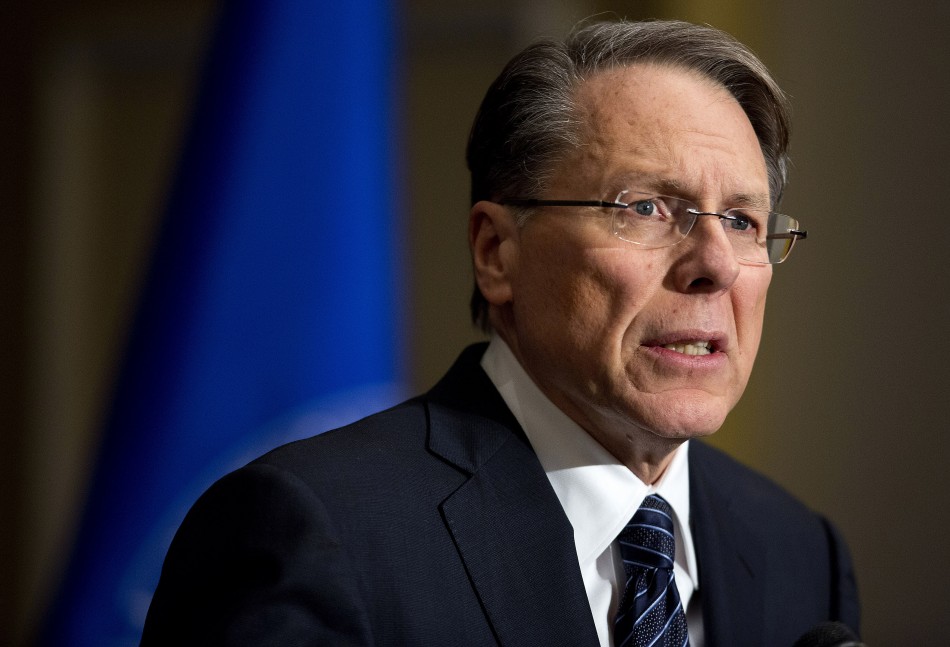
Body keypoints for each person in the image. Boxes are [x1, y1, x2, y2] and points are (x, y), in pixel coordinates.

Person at [141, 19, 860, 647]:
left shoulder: (798, 550)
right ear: (496, 251)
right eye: (645, 207)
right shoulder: (312, 531)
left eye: (742, 220)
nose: (713, 264)